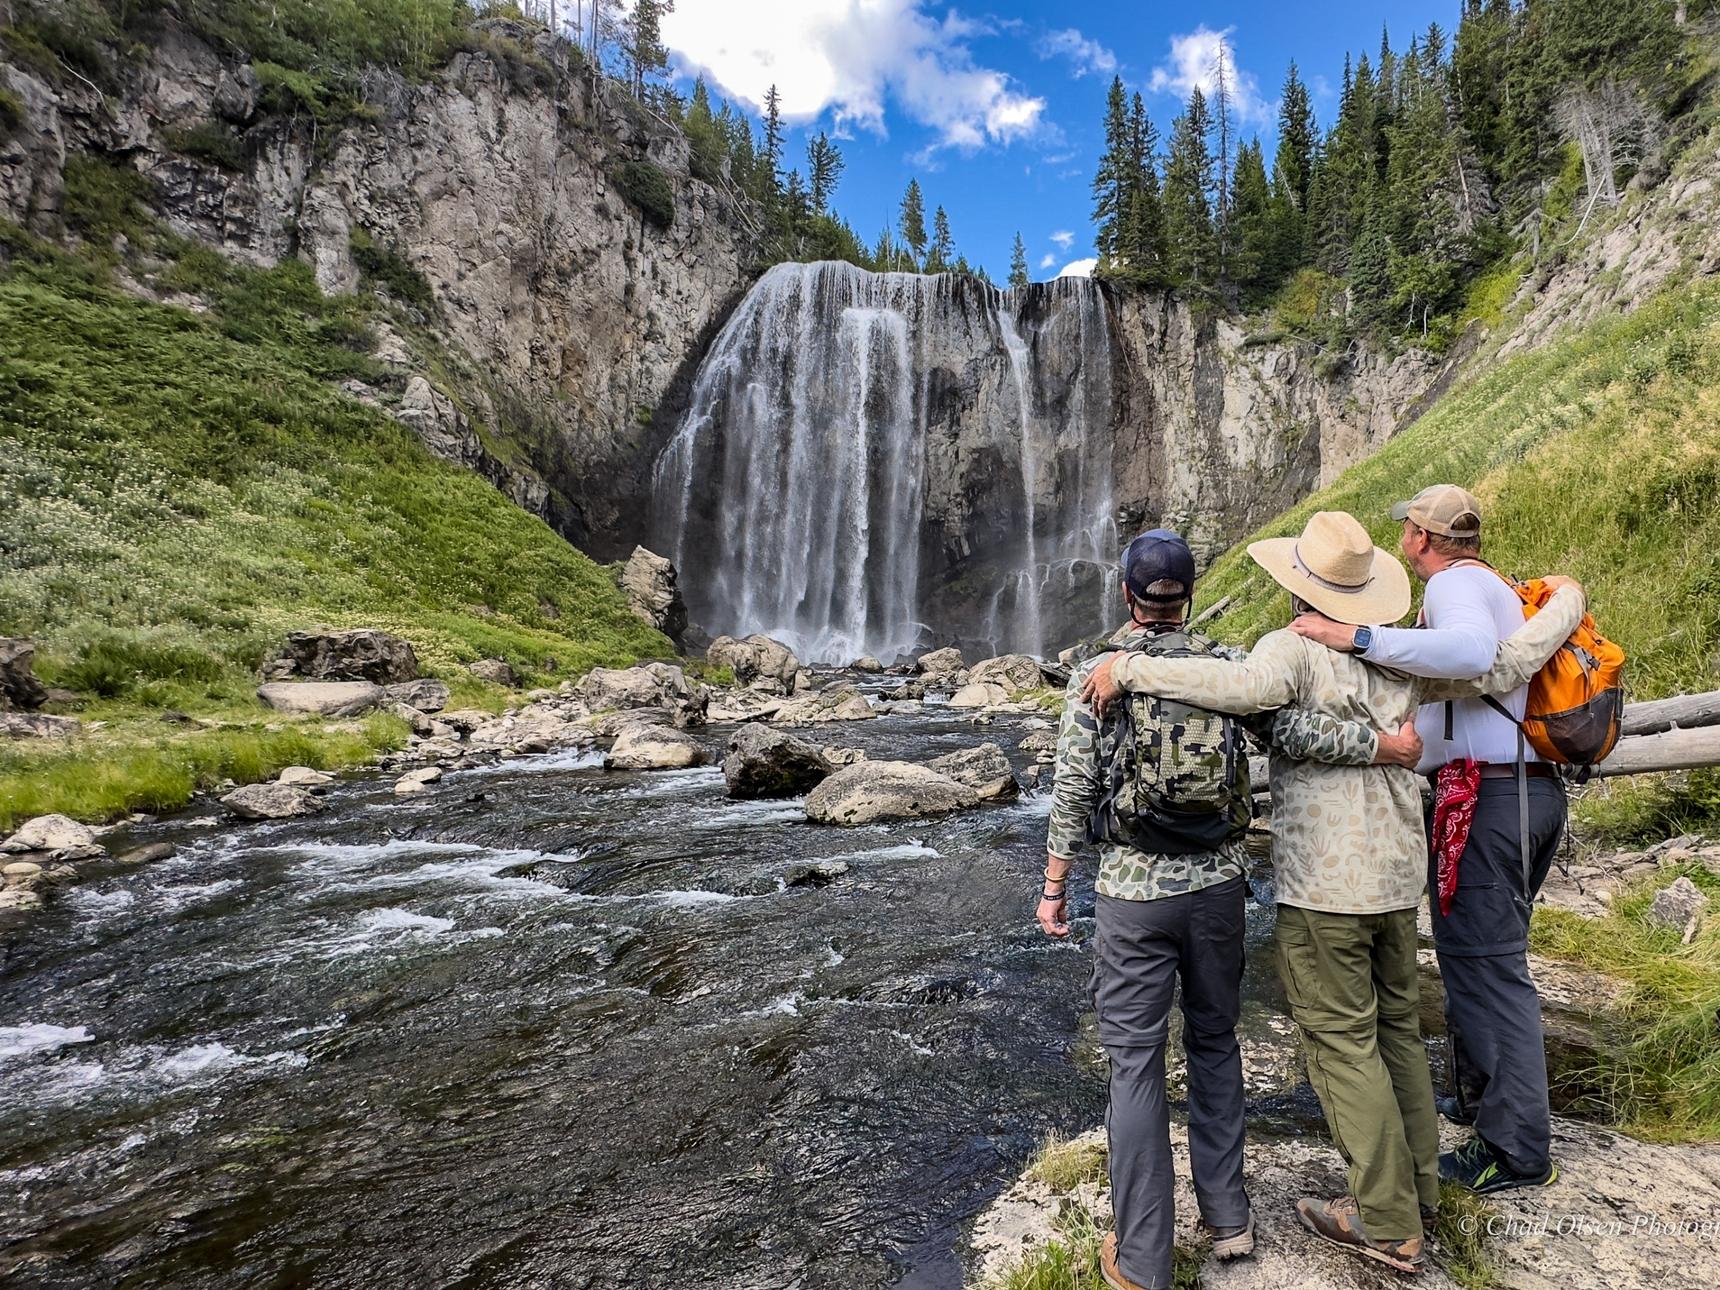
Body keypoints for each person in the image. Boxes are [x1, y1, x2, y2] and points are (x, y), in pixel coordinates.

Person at [1080, 511, 1585, 1276]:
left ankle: (1386, 1224)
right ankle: (1421, 1198)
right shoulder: (1405, 654)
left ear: (1300, 585)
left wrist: (1129, 667)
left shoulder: (1293, 648)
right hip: (1394, 876)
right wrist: (1568, 603)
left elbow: (1240, 688)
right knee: (1397, 1037)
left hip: (1326, 883)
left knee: (1342, 1046)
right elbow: (1507, 663)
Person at [1039, 528, 1424, 1290]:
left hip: (1133, 898)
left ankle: (1144, 1259)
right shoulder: (1228, 667)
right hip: (1216, 890)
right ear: (1187, 597)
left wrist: (1055, 887)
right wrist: (1384, 747)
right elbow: (1293, 733)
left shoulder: (1102, 674)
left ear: (1127, 596)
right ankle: (1230, 1221)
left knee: (1136, 1066)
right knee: (1215, 1044)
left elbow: (1074, 788)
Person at [1288, 485, 1568, 1194]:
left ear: (1420, 537)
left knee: (1485, 965)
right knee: (1476, 954)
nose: (1404, 541)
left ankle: (1514, 1149)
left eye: (1407, 531)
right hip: (1517, 792)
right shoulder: (1489, 582)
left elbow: (1472, 652)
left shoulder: (1457, 590)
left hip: (1493, 796)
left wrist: (1354, 636)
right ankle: (1478, 1102)